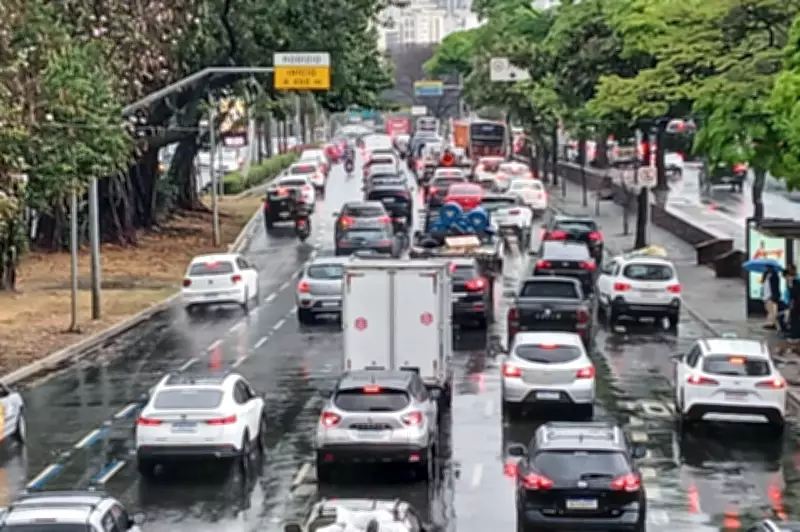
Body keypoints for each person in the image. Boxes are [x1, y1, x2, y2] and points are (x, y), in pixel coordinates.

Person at [762, 265, 781, 329]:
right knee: (769, 309)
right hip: (766, 295)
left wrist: (774, 296)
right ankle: (772, 323)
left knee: (772, 310)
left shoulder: (774, 276)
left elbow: (775, 287)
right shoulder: (766, 275)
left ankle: (772, 323)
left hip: (771, 296)